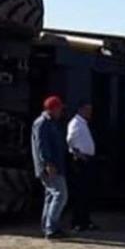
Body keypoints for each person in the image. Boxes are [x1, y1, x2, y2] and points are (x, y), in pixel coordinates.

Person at [31, 96, 68, 240]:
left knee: (50, 196)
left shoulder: (50, 123)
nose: (61, 112)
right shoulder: (42, 123)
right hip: (49, 167)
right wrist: (48, 163)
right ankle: (51, 229)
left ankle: (48, 227)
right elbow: (42, 145)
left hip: (54, 165)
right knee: (61, 194)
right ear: (52, 109)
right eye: (59, 108)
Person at [67, 101, 99, 232]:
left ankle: (85, 220)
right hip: (80, 161)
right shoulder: (76, 123)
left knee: (86, 193)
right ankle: (77, 222)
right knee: (80, 192)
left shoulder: (83, 123)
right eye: (87, 110)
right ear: (80, 110)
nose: (89, 113)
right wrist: (78, 154)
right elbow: (70, 140)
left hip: (87, 159)